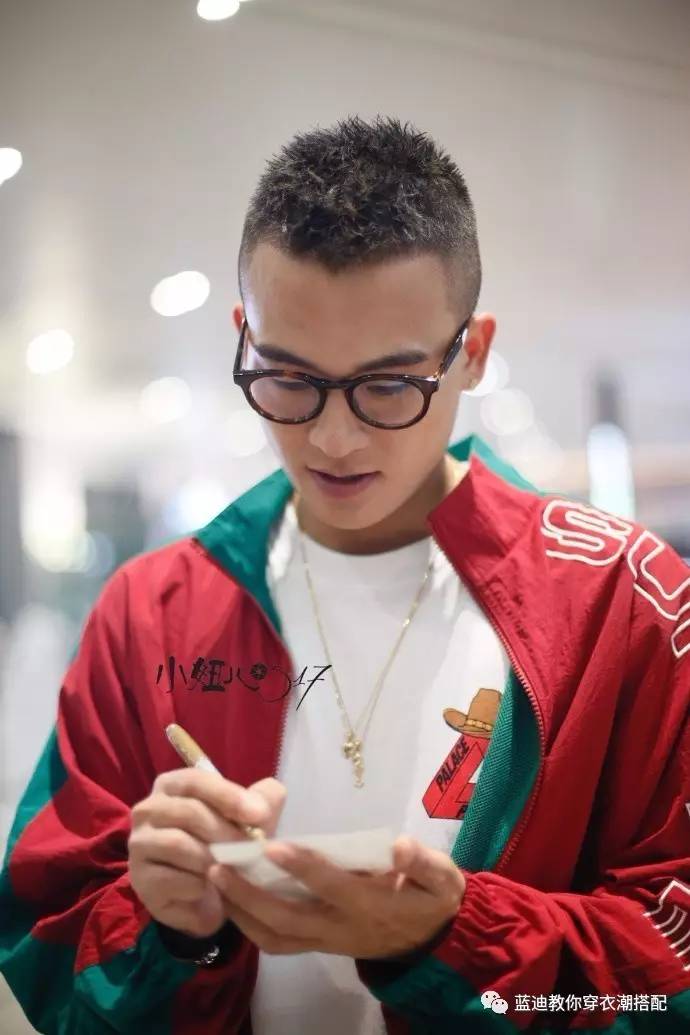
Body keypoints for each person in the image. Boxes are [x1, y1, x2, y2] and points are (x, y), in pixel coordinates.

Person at [1, 114, 689, 1035]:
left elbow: (669, 986)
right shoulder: (154, 609)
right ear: (244, 336)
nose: (332, 437)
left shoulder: (620, 603)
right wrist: (172, 929)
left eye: (389, 386)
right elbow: (46, 940)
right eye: (288, 378)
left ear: (472, 353)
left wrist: (456, 939)